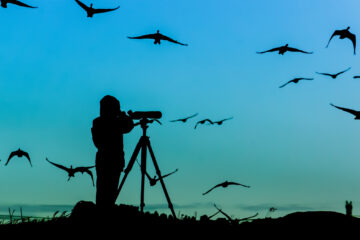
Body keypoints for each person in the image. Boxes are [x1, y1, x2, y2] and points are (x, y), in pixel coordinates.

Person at [91, 95, 134, 209]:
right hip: (113, 162)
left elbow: (128, 126)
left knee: (103, 194)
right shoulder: (114, 122)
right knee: (107, 195)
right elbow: (129, 126)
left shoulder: (98, 122)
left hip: (106, 162)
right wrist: (123, 116)